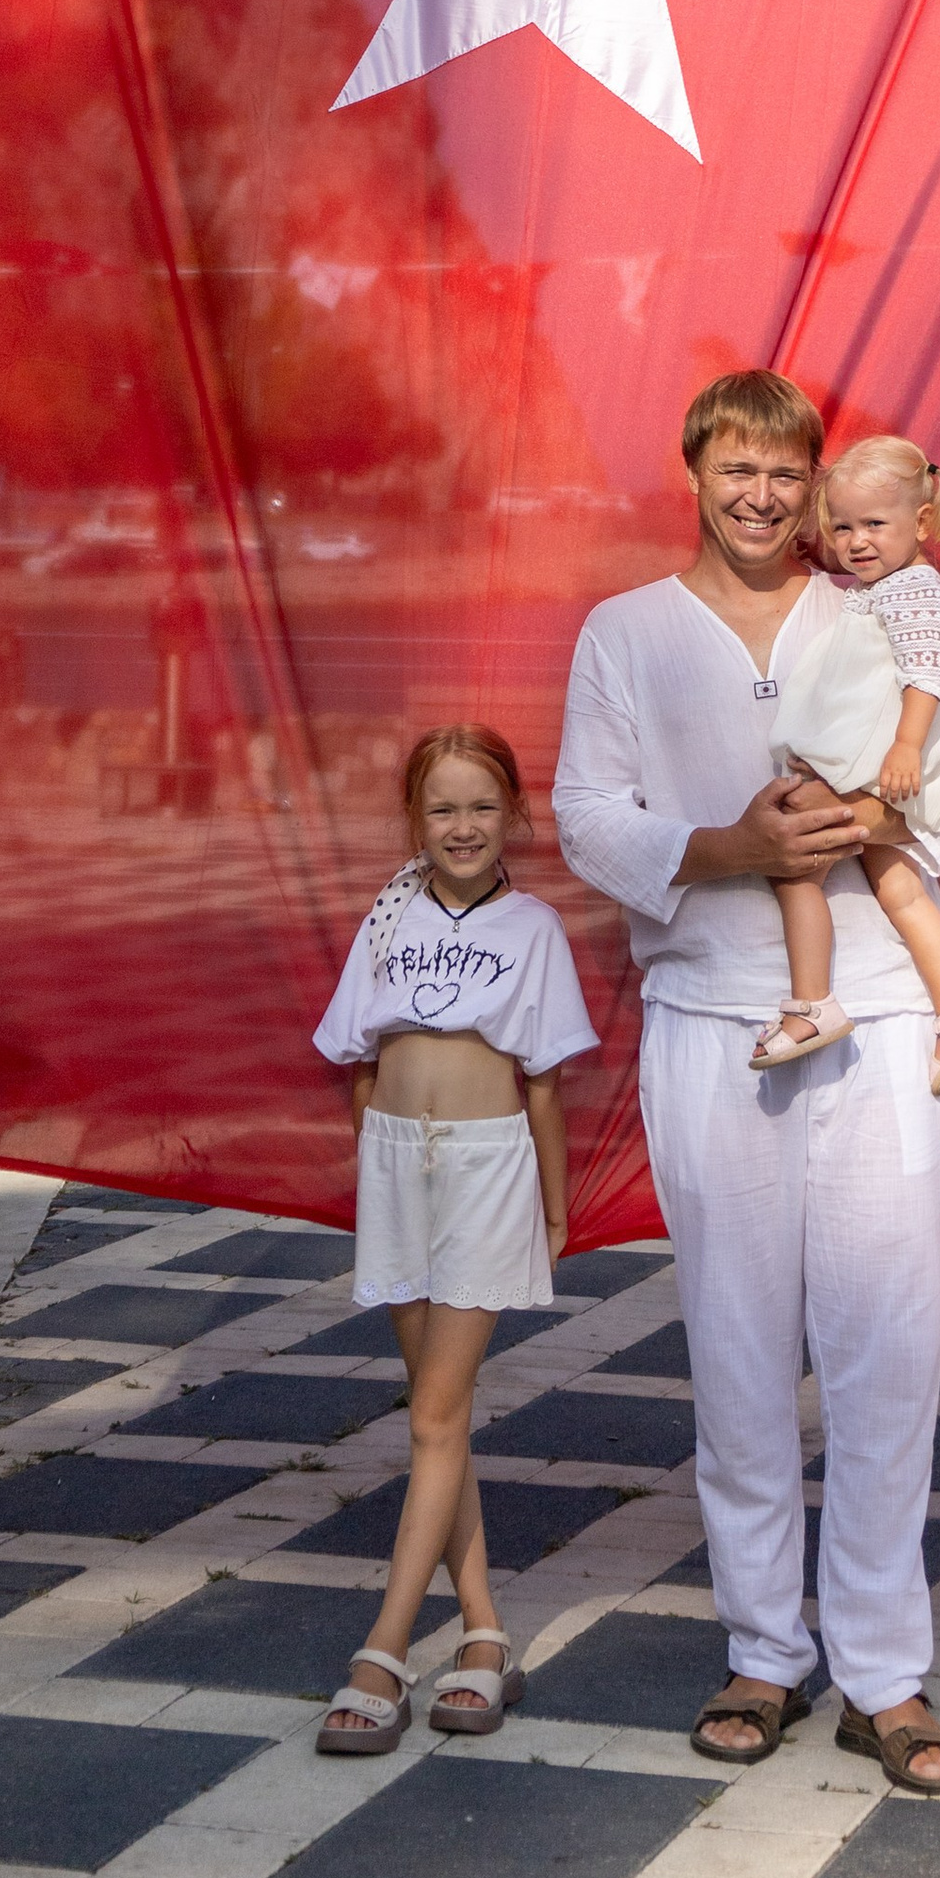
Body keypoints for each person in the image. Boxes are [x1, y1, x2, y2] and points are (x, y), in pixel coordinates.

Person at [554, 370, 940, 1796]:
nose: (762, 496)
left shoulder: (871, 604)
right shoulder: (625, 635)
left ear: (814, 487)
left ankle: (883, 1667)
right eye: (737, 468)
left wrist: (874, 811)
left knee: (887, 1345)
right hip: (708, 1018)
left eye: (785, 475)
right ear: (693, 469)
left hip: (865, 1016)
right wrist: (732, 853)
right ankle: (761, 1648)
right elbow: (586, 814)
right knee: (738, 1349)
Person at [311, 724, 597, 1756]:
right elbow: (355, 1059)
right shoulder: (387, 918)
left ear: (513, 814)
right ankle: (483, 1637)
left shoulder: (532, 929)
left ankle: (384, 1646)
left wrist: (555, 1206)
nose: (463, 826)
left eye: (482, 806)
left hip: (487, 1172)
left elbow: (546, 1083)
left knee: (433, 1412)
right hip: (399, 1170)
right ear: (414, 821)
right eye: (443, 809)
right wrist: (381, 1160)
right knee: (445, 1416)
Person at [753, 433, 940, 1096]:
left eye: (875, 525)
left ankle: (813, 1003)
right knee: (901, 889)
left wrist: (906, 746)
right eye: (843, 526)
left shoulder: (913, 589)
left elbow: (926, 672)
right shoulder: (881, 586)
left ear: (920, 524)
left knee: (790, 852)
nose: (856, 541)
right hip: (877, 768)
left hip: (878, 766)